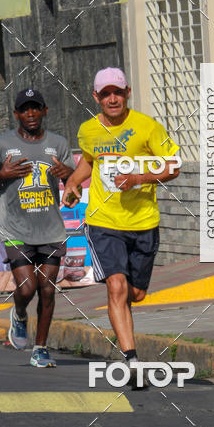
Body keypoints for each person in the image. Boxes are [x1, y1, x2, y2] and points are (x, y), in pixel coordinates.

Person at [62, 68, 180, 388]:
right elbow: (90, 158)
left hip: (143, 221)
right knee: (116, 286)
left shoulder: (147, 127)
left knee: (135, 293)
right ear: (95, 97)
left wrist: (139, 179)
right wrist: (73, 181)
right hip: (104, 221)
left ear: (128, 92)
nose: (112, 98)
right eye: (105, 93)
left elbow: (173, 165)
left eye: (117, 92)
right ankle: (132, 359)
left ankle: (127, 336)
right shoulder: (88, 130)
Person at [0, 89, 75, 367]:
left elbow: (74, 179)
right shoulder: (1, 144)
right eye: (25, 109)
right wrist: (1, 175)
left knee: (47, 289)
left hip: (51, 229)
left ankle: (41, 348)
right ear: (16, 114)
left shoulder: (58, 143)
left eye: (36, 108)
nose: (31, 114)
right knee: (26, 287)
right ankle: (19, 313)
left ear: (45, 111)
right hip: (15, 228)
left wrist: (67, 175)